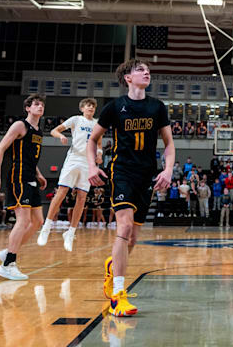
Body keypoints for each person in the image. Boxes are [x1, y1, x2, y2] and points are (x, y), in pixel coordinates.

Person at [86, 59, 175, 317]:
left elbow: (168, 143)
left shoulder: (157, 107)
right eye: (140, 70)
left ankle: (112, 267)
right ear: (127, 78)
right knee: (123, 227)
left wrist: (167, 170)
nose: (146, 72)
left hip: (147, 174)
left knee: (133, 238)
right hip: (122, 171)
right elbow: (93, 140)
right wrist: (92, 167)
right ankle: (118, 295)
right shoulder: (115, 107)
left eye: (147, 70)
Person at [0, 94, 48, 280]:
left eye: (42, 105)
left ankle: (9, 251)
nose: (40, 107)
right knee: (22, 220)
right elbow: (0, 149)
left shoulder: (38, 131)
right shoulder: (20, 126)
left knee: (38, 221)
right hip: (18, 178)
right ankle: (8, 264)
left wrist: (38, 174)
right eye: (36, 104)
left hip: (31, 177)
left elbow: (30, 157)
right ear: (28, 108)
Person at [38, 98, 99, 251]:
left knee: (82, 197)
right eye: (88, 105)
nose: (91, 107)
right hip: (74, 158)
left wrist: (99, 153)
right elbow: (54, 130)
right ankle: (46, 227)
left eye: (93, 106)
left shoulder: (97, 124)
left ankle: (71, 233)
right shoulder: (76, 119)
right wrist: (61, 136)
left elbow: (98, 143)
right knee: (62, 191)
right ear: (82, 108)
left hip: (87, 161)